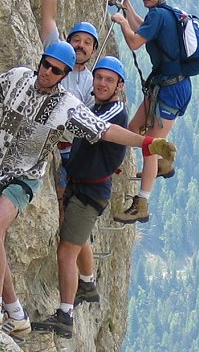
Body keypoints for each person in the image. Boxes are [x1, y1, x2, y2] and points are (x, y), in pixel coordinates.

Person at [0, 41, 176, 336]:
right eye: (46, 64)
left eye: (56, 70)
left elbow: (105, 130)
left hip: (24, 177)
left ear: (64, 75)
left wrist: (147, 142)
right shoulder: (20, 78)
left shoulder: (67, 106)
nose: (47, 72)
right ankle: (16, 314)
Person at [37, 56, 128, 338]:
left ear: (119, 86)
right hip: (84, 187)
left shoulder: (113, 112)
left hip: (89, 193)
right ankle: (87, 285)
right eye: (98, 78)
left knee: (66, 251)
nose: (101, 83)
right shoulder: (100, 105)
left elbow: (90, 127)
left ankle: (65, 315)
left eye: (108, 80)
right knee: (79, 237)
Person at [111, 0, 191, 224]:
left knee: (149, 145)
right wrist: (128, 8)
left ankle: (142, 203)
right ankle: (162, 163)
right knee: (134, 128)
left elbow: (135, 41)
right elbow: (143, 30)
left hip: (170, 89)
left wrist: (123, 22)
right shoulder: (161, 15)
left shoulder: (158, 15)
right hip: (167, 85)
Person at [41, 0, 99, 221]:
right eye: (77, 39)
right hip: (44, 137)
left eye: (88, 42)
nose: (81, 45)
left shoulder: (92, 82)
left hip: (67, 151)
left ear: (93, 51)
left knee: (64, 206)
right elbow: (49, 18)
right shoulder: (57, 54)